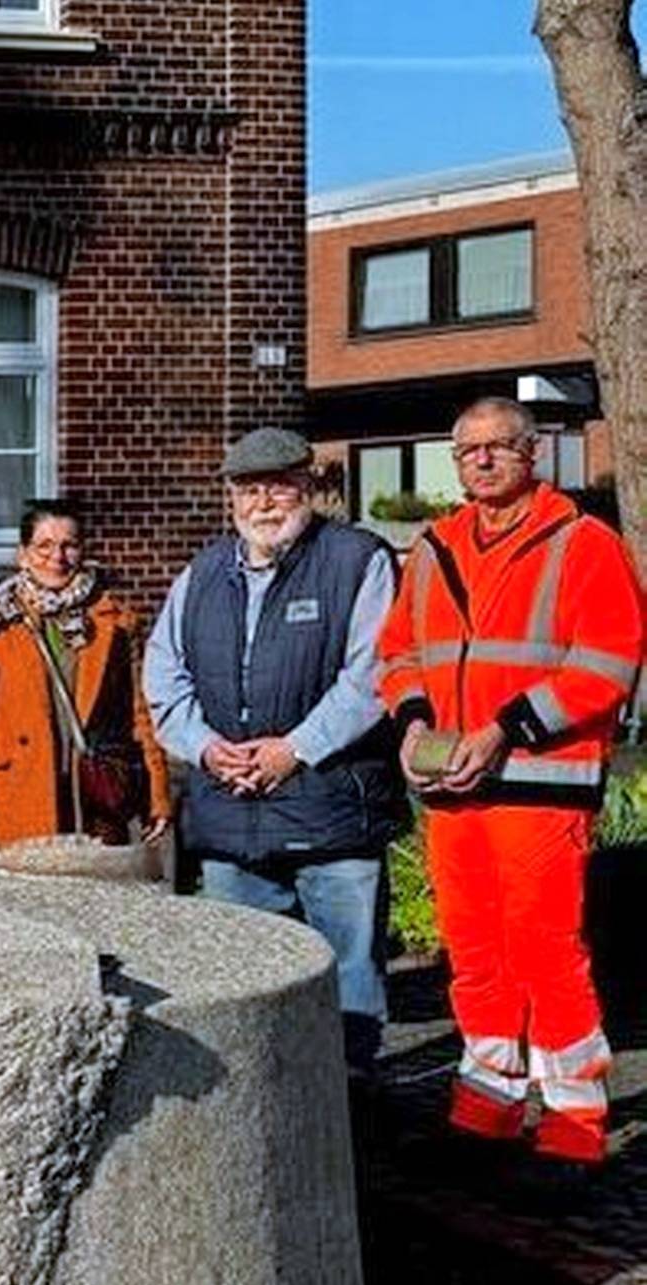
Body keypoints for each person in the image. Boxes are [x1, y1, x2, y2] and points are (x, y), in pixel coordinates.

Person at [378, 397, 643, 1167]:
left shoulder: (582, 542)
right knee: (473, 949)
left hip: (540, 780)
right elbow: (398, 653)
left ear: (532, 454)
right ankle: (486, 1105)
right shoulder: (433, 548)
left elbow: (609, 661)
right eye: (468, 450)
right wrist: (415, 724)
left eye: (499, 447)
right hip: (454, 786)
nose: (483, 460)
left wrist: (506, 728)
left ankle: (572, 1122)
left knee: (544, 948)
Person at [144, 426, 405, 1075]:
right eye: (249, 489)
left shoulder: (358, 560)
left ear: (308, 486)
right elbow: (163, 675)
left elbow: (375, 674)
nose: (264, 502)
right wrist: (205, 749)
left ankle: (353, 1119)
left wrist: (295, 750)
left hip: (332, 817)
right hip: (233, 820)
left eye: (280, 485)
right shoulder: (201, 574)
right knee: (245, 985)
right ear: (231, 497)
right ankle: (264, 1112)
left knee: (350, 985)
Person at [0, 500, 172, 848]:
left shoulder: (114, 622)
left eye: (69, 545)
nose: (58, 557)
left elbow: (141, 715)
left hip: (94, 791)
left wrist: (158, 793)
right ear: (23, 555)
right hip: (18, 787)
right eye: (44, 546)